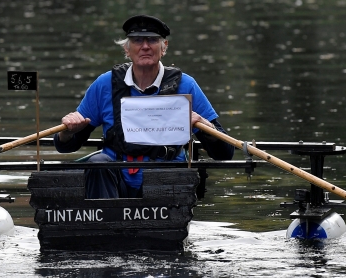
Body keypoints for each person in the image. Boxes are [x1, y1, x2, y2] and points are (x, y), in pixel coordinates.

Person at [55, 14, 234, 198]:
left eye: (153, 40)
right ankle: (107, 222)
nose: (145, 46)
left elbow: (225, 153)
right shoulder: (104, 84)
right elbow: (65, 147)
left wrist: (204, 124)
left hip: (166, 181)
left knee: (175, 174)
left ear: (164, 47)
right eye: (137, 40)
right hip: (114, 183)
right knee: (97, 162)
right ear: (127, 48)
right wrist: (67, 132)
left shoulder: (186, 86)